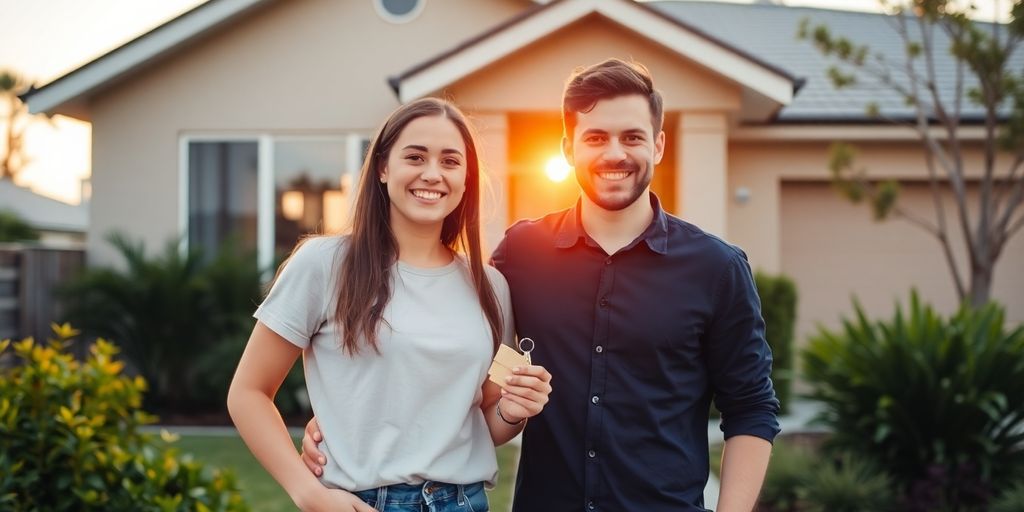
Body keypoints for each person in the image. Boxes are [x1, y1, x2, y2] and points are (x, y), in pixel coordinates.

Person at [302, 59, 779, 512]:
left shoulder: (717, 268)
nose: (615, 153)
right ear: (568, 148)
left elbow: (752, 408)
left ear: (657, 145)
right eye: (595, 137)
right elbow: (447, 357)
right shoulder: (520, 255)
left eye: (632, 137)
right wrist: (348, 423)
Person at [227, 97, 552, 512]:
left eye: (450, 162)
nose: (432, 174)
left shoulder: (492, 287)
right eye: (415, 157)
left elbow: (485, 421)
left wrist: (514, 410)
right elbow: (248, 392)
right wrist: (307, 493)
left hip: (462, 502)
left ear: (467, 177)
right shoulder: (324, 264)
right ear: (382, 168)